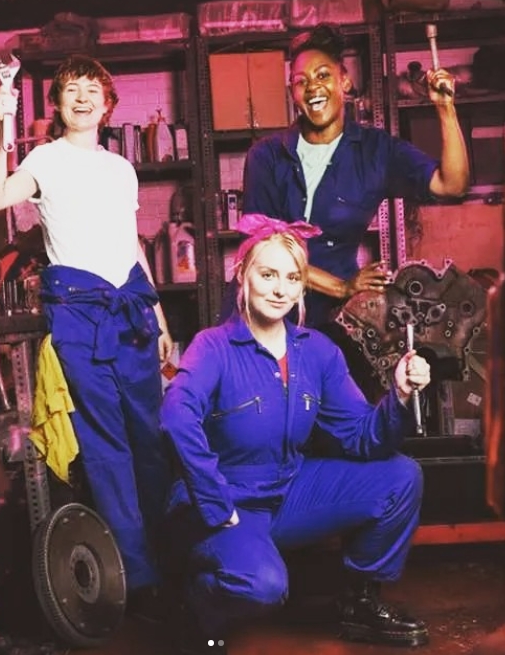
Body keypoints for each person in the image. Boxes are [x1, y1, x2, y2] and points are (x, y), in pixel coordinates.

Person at [160, 214, 432, 654]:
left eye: (292, 278)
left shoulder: (317, 352)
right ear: (242, 276)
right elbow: (176, 416)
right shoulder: (213, 346)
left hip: (288, 490)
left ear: (302, 286)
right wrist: (216, 505)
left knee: (401, 477)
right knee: (263, 585)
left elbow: (362, 436)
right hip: (226, 499)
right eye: (267, 274)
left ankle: (360, 602)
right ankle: (197, 607)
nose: (280, 289)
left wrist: (398, 394)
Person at [0, 55, 173, 606]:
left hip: (132, 312)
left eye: (93, 89)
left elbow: (130, 243)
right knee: (107, 447)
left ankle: (172, 559)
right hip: (78, 314)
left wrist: (159, 315)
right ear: (59, 104)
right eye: (71, 89)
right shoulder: (45, 158)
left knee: (150, 441)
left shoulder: (121, 168)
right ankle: (140, 579)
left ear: (108, 105)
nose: (83, 97)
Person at [242, 23, 469, 330]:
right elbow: (259, 249)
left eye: (323, 75)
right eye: (300, 81)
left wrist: (445, 108)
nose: (313, 87)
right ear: (292, 93)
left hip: (331, 321)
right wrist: (341, 287)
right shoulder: (266, 156)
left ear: (345, 81)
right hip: (263, 316)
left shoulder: (376, 151)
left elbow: (452, 184)